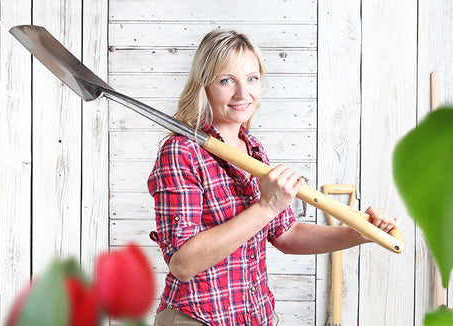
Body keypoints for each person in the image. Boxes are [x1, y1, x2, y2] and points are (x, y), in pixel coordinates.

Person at [147, 30, 398, 326]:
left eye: (252, 79)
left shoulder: (253, 150)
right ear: (205, 84)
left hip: (255, 317)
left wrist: (358, 232)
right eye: (227, 80)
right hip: (197, 318)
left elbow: (285, 235)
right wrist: (266, 206)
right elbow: (183, 263)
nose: (243, 94)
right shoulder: (181, 152)